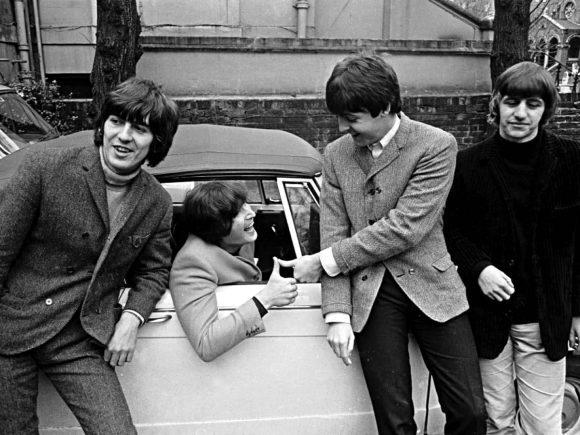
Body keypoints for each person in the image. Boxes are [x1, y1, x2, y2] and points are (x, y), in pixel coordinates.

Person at [280, 54, 486, 434]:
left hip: (434, 287)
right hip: (371, 294)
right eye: (339, 116)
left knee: (471, 410)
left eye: (352, 118)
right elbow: (334, 231)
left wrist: (325, 262)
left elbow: (406, 228)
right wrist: (337, 314)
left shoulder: (436, 145)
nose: (343, 127)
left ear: (386, 107)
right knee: (394, 423)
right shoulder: (336, 155)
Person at [0, 77, 179, 434]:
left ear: (156, 142)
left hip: (80, 338)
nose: (124, 136)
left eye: (139, 129)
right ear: (103, 124)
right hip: (12, 328)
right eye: (116, 121)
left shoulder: (156, 202)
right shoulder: (45, 168)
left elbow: (155, 272)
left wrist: (132, 318)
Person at [444, 61, 580, 434]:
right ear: (497, 104)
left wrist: (578, 312)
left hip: (547, 315)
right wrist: (480, 269)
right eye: (511, 102)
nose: (520, 113)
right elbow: (452, 231)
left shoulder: (571, 160)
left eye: (532, 104)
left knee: (544, 426)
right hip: (488, 317)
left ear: (546, 110)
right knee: (498, 423)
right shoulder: (468, 165)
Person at [169, 181, 299, 362]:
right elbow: (205, 344)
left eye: (245, 204)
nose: (252, 213)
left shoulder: (240, 237)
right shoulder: (192, 263)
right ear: (216, 226)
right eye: (237, 212)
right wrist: (267, 298)